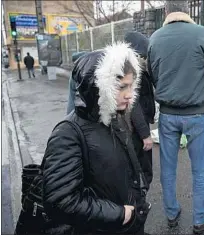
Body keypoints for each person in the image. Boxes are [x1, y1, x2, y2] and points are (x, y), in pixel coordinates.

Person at [41, 42, 151, 234]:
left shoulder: (115, 118)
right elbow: (60, 200)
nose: (129, 94)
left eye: (131, 85)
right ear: (97, 86)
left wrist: (140, 195)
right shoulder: (68, 133)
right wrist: (120, 214)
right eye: (121, 87)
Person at [147, 1, 204, 234]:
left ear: (167, 12)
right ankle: (200, 220)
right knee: (200, 170)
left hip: (168, 115)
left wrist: (168, 94)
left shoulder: (155, 39)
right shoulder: (202, 34)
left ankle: (171, 214)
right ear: (187, 11)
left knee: (167, 169)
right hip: (197, 114)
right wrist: (201, 100)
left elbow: (153, 76)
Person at [124, 31, 156, 186]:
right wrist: (145, 134)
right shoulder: (132, 71)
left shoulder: (134, 68)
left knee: (138, 166)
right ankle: (139, 201)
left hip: (137, 124)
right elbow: (133, 104)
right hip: (136, 127)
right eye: (143, 55)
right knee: (143, 168)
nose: (145, 58)